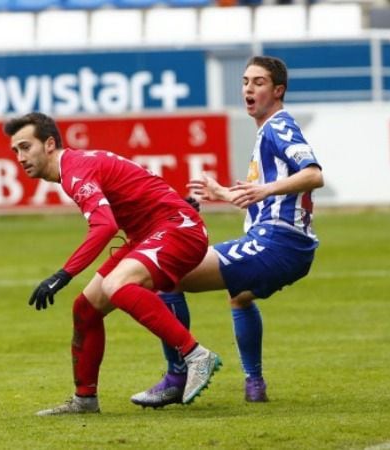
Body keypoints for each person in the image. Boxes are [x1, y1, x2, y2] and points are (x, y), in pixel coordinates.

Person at [130, 55, 324, 407]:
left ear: (278, 90)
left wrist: (264, 190)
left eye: (259, 82)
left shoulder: (280, 127)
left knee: (166, 275)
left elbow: (313, 174)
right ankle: (254, 384)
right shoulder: (267, 131)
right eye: (246, 81)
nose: (249, 88)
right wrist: (223, 193)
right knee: (240, 296)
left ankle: (178, 374)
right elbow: (266, 196)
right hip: (288, 245)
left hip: (277, 243)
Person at [3, 112, 222, 416]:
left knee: (117, 285)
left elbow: (104, 227)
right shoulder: (76, 166)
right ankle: (84, 400)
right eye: (15, 151)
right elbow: (136, 185)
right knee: (86, 308)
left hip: (176, 229)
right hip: (152, 231)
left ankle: (196, 355)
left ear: (50, 144)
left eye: (26, 147)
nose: (20, 157)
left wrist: (63, 274)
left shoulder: (75, 172)